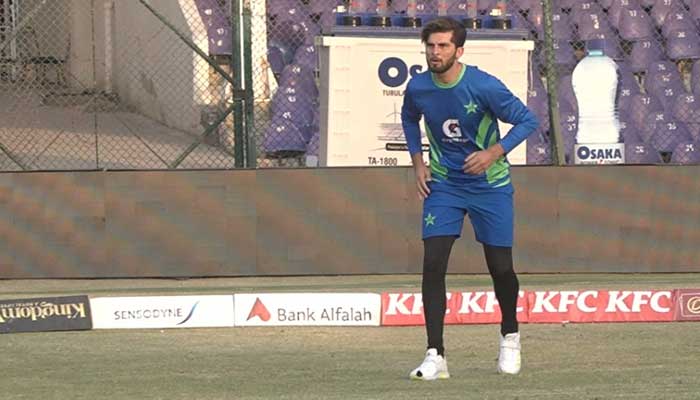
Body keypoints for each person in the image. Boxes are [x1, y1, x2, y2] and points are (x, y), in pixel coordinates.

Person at [401, 17, 539, 380]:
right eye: (431, 45)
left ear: (459, 50)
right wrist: (418, 163)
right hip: (443, 184)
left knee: (501, 268)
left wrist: (494, 152)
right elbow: (408, 118)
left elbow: (527, 120)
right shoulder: (417, 87)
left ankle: (510, 335)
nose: (435, 52)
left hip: (490, 185)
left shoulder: (483, 85)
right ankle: (436, 355)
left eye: (443, 45)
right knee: (433, 263)